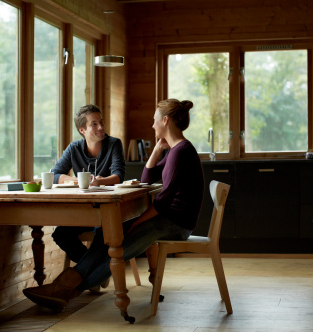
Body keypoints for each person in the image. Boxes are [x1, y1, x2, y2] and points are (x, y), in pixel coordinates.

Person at [23, 98, 204, 312]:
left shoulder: (181, 152)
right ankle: (61, 289)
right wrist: (157, 150)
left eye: (154, 120)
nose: (152, 124)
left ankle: (64, 291)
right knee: (109, 237)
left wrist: (135, 225)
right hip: (168, 218)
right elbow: (147, 178)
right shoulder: (175, 150)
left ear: (165, 121)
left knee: (117, 250)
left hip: (176, 225)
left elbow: (162, 204)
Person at [51, 105, 126, 269]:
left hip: (107, 212)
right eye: (94, 124)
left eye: (101, 122)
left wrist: (100, 181)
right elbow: (55, 175)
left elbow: (119, 176)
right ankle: (96, 271)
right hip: (83, 211)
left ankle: (90, 273)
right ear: (82, 130)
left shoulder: (114, 144)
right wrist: (78, 181)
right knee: (60, 234)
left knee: (103, 235)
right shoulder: (74, 148)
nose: (101, 127)